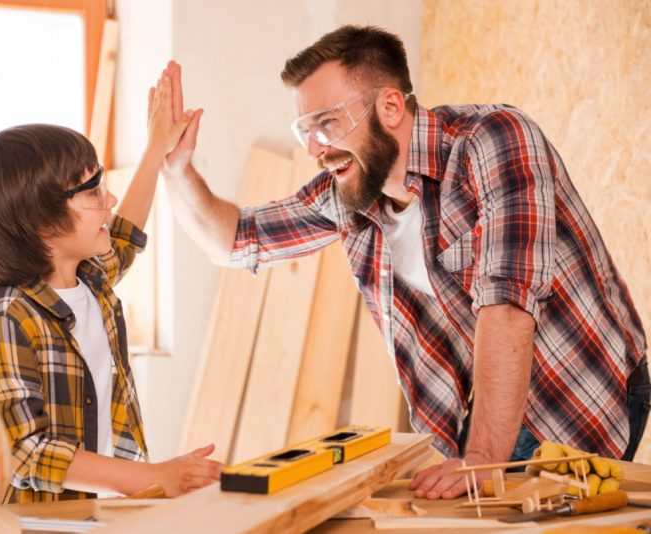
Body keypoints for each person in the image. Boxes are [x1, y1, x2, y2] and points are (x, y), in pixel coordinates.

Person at [158, 25, 649, 500]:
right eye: (305, 130)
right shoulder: (354, 194)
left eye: (326, 123)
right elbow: (234, 240)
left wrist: (480, 459)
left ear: (390, 105)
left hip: (581, 392)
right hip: (492, 410)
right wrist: (177, 170)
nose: (313, 149)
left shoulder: (494, 141)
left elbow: (508, 308)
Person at [0, 71, 220, 503]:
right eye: (93, 191)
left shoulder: (90, 280)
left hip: (88, 512)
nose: (110, 201)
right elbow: (21, 452)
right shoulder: (7, 317)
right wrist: (153, 477)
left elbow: (125, 235)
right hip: (21, 521)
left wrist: (156, 150)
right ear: (40, 221)